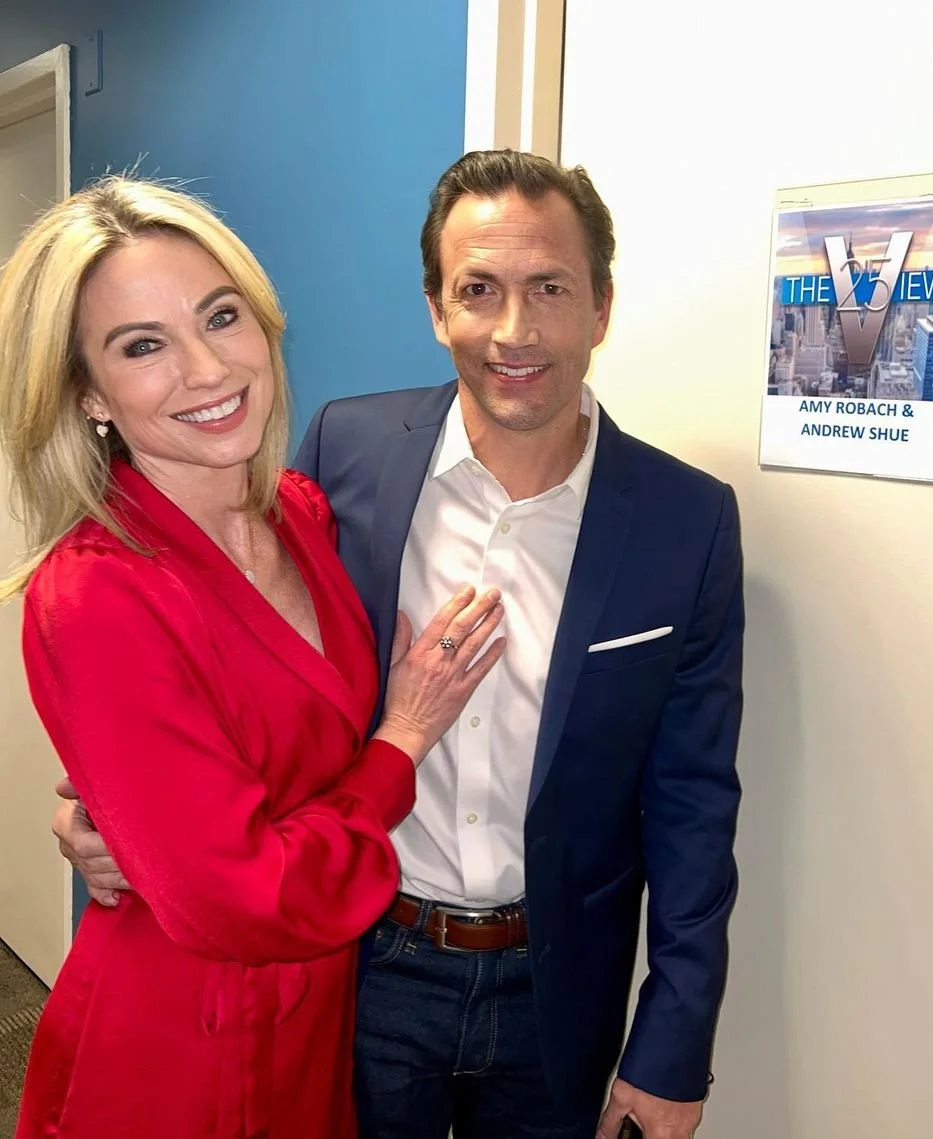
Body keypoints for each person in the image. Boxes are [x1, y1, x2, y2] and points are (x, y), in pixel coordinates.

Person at [57, 150, 745, 1139]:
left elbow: (694, 804)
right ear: (436, 307)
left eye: (551, 287)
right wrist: (107, 808)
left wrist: (673, 1044)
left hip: (554, 985)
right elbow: (232, 669)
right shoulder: (347, 458)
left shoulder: (688, 520)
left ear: (601, 306)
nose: (515, 330)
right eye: (479, 289)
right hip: (361, 966)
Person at [0, 176, 504, 1139]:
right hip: (181, 1034)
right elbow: (241, 896)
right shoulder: (98, 592)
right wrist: (402, 740)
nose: (205, 368)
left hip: (313, 1015)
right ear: (89, 394)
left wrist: (122, 814)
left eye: (219, 316)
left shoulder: (301, 517)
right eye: (142, 345)